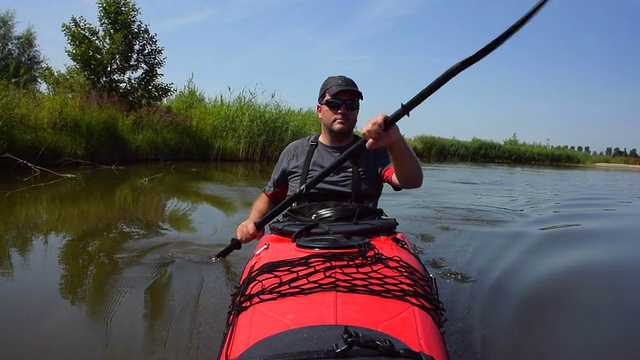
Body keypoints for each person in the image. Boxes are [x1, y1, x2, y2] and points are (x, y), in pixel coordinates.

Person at [235, 75, 423, 243]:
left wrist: (395, 141)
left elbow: (411, 181)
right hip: (301, 236)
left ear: (357, 112)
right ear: (319, 110)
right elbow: (271, 196)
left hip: (363, 237)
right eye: (334, 103)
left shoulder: (374, 150)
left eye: (351, 105)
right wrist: (252, 221)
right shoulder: (294, 152)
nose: (342, 110)